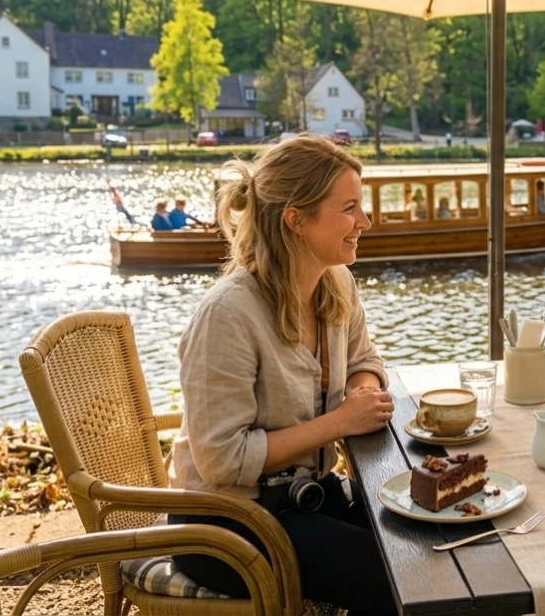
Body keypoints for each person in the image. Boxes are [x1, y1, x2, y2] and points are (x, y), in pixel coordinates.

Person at [168, 135, 398, 614]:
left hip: (304, 499)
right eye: (349, 208)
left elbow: (365, 360)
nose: (365, 222)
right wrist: (341, 423)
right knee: (399, 578)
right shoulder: (228, 314)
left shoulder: (335, 282)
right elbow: (222, 461)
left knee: (426, 541)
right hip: (226, 526)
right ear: (296, 220)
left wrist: (362, 393)